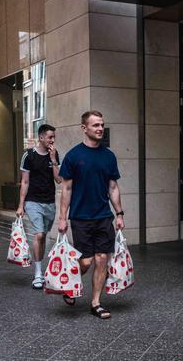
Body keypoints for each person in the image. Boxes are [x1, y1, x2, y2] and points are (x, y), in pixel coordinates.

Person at [58, 110, 124, 320]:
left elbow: (113, 187)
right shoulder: (73, 156)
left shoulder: (109, 156)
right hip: (80, 217)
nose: (100, 129)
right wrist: (62, 217)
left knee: (102, 258)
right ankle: (69, 285)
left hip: (104, 216)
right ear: (84, 128)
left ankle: (96, 302)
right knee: (86, 262)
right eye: (95, 125)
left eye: (101, 125)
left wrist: (119, 213)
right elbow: (66, 189)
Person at [16, 124, 62, 289]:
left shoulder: (54, 154)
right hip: (32, 201)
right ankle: (37, 274)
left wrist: (54, 160)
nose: (52, 140)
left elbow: (59, 179)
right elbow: (25, 181)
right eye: (50, 137)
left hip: (49, 202)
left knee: (42, 236)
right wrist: (21, 205)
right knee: (40, 234)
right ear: (41, 137)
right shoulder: (28, 155)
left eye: (53, 137)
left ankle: (40, 267)